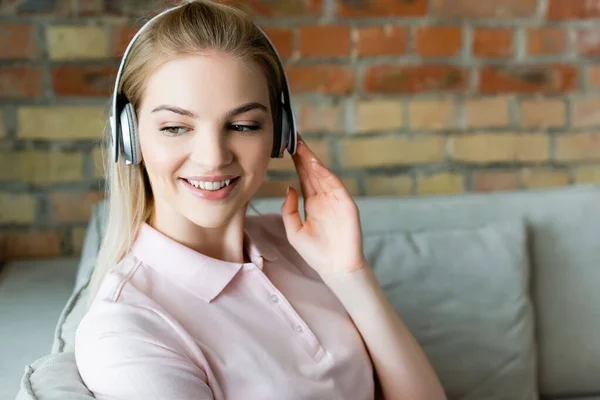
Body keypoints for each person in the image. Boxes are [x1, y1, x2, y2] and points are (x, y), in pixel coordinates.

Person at [75, 1, 446, 399]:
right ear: (129, 139)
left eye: (242, 125)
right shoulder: (128, 329)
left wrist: (350, 274)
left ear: (279, 132)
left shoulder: (297, 243)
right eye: (176, 127)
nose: (214, 156)